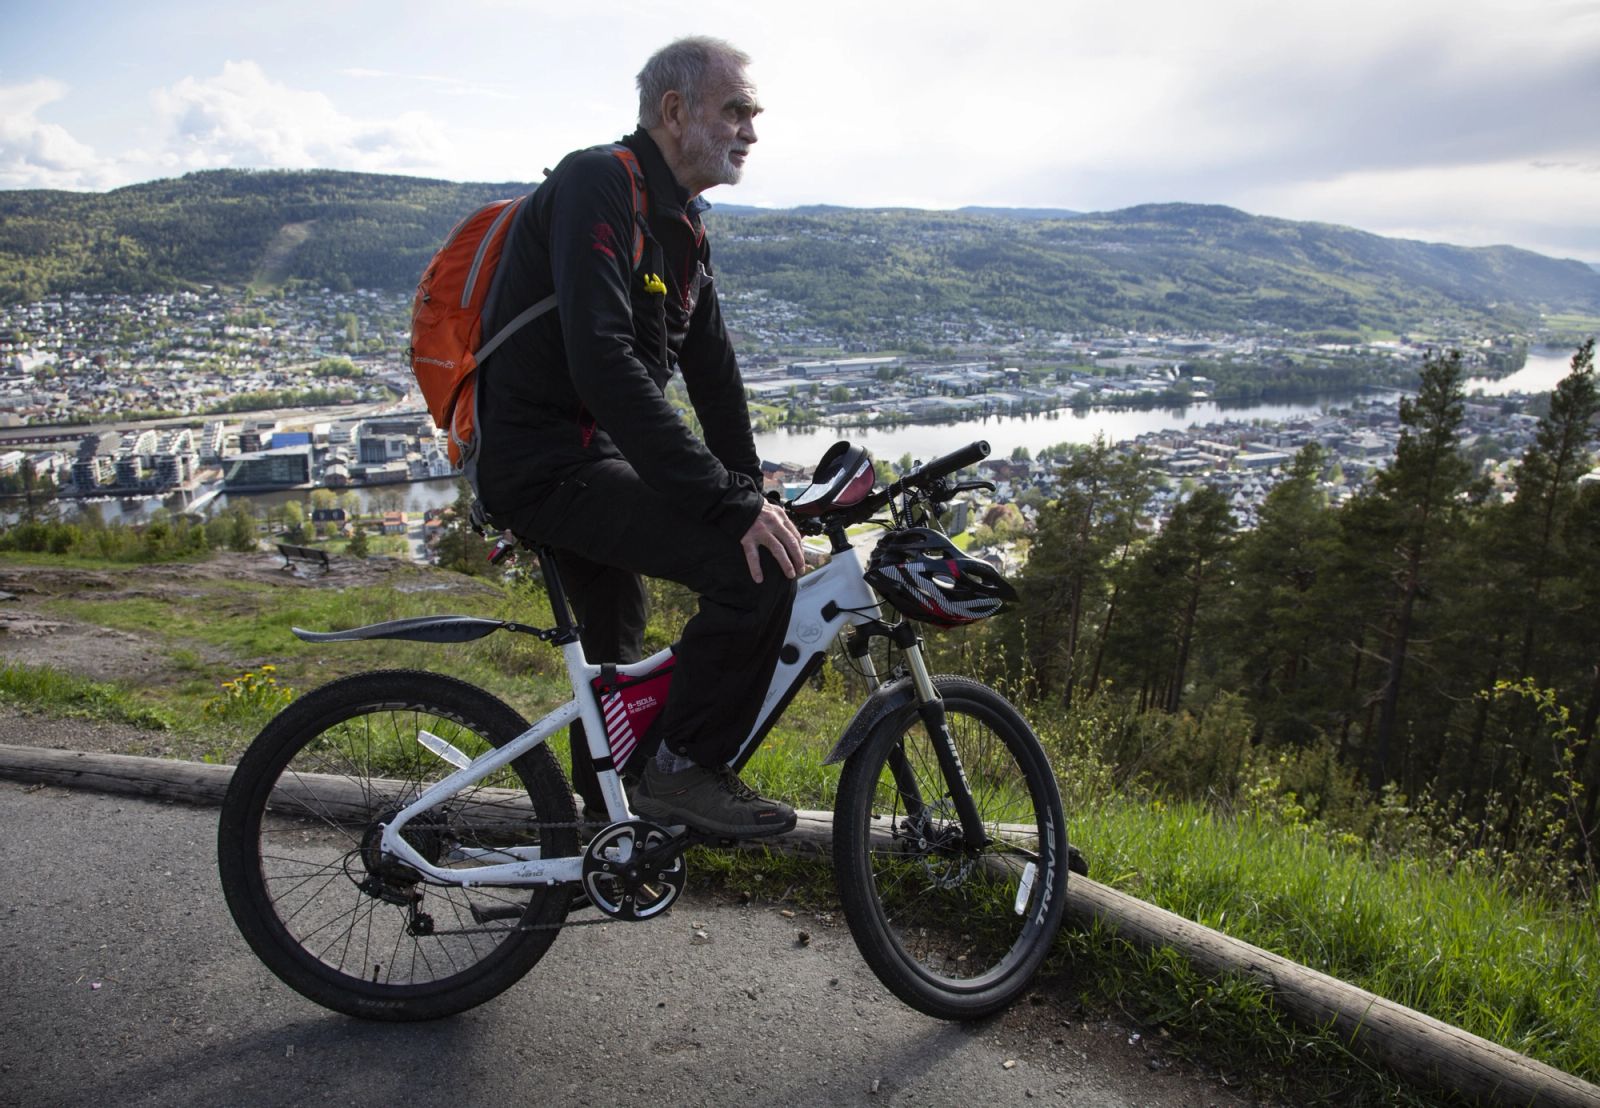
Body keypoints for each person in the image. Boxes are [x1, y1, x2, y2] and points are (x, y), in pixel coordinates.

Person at [475, 37, 804, 838]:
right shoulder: (597, 182)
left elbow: (715, 380)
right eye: (735, 110)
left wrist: (753, 494)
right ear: (675, 111)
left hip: (590, 461)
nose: (751, 131)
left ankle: (609, 833)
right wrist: (730, 509)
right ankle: (682, 769)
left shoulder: (680, 225)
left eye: (753, 114)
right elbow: (604, 363)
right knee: (753, 573)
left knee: (617, 639)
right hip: (543, 464)